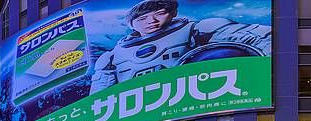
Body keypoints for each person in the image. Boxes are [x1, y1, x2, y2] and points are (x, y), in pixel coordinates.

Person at [89, 0, 272, 94]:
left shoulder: (198, 29)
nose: (151, 22)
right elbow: (100, 99)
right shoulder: (111, 58)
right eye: (142, 19)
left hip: (199, 97)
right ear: (131, 24)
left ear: (173, 13)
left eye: (159, 14)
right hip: (137, 113)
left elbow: (262, 39)